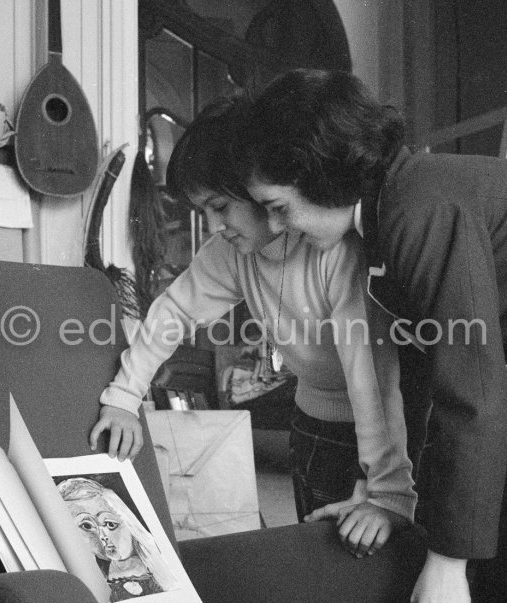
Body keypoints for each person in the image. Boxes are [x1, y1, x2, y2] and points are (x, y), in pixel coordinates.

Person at [235, 67, 507, 603]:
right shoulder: (391, 215)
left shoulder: (420, 210)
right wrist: (388, 497)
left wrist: (448, 562)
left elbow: (470, 395)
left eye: (280, 208)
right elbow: (418, 375)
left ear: (325, 175)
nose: (276, 228)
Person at [89, 97, 418, 559]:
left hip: (387, 430)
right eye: (203, 212)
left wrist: (388, 493)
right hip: (312, 423)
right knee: (319, 555)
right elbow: (172, 313)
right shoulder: (230, 254)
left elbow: (371, 375)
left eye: (221, 206)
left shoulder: (334, 250)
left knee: (380, 556)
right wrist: (124, 398)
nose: (213, 226)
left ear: (257, 187)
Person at [57, 477, 179, 602]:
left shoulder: (159, 574)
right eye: (86, 526)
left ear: (130, 523)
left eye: (110, 524)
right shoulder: (95, 576)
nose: (102, 536)